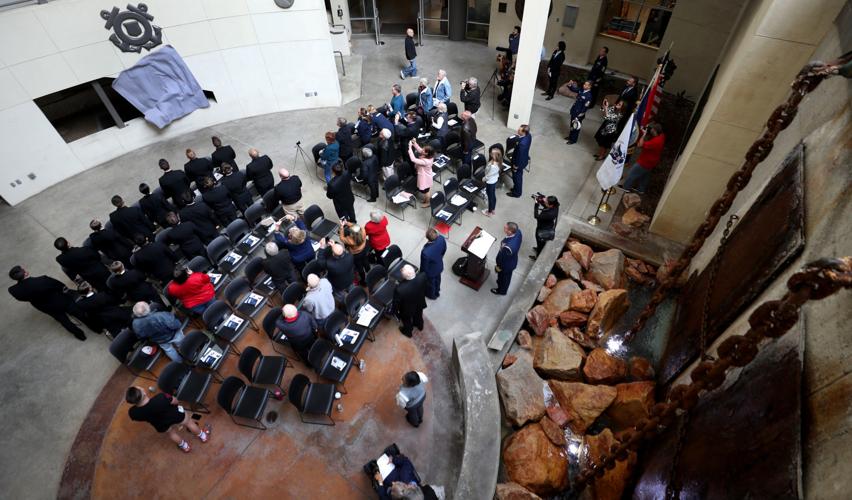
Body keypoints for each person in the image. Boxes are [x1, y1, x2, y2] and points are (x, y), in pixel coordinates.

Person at [8, 266, 88, 340]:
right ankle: (92, 325)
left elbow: (21, 298)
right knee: (77, 312)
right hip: (61, 300)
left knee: (63, 320)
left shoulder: (13, 290)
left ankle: (80, 335)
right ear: (25, 273)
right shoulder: (43, 279)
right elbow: (59, 286)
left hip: (45, 306)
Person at [125, 386, 211, 453]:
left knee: (172, 434)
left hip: (160, 424)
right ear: (143, 392)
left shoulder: (133, 412)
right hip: (175, 415)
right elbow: (175, 401)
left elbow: (136, 417)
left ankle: (185, 447)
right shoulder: (161, 397)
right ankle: (203, 436)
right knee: (189, 423)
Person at [622, 122, 666, 194]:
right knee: (645, 176)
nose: (650, 130)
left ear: (655, 131)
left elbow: (640, 145)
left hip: (645, 162)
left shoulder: (655, 142)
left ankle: (625, 188)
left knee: (632, 173)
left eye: (652, 129)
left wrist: (644, 134)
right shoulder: (661, 136)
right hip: (652, 162)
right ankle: (641, 190)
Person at [393, 265, 427, 338]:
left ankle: (408, 332)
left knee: (407, 321)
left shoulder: (399, 289)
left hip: (407, 309)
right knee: (419, 315)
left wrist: (395, 312)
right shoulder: (422, 276)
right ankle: (420, 326)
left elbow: (396, 303)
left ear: (404, 277)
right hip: (419, 302)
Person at [491, 222, 522, 295]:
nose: (504, 228)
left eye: (505, 228)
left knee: (503, 278)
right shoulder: (518, 232)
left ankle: (501, 291)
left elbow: (503, 259)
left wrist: (498, 266)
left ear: (510, 232)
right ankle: (502, 287)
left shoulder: (508, 248)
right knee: (507, 277)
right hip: (512, 261)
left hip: (506, 265)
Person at [339, 220, 369, 285]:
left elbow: (341, 238)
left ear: (352, 234)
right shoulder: (363, 231)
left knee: (359, 266)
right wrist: (347, 223)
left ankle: (363, 279)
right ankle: (369, 271)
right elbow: (357, 226)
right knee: (365, 261)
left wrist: (341, 227)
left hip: (356, 255)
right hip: (363, 250)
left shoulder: (350, 240)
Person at [419, 228, 446, 300]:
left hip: (430, 272)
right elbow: (444, 250)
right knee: (438, 279)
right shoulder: (441, 239)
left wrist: (422, 274)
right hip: (439, 265)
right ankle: (437, 290)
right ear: (436, 234)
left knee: (430, 284)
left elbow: (424, 266)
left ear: (427, 238)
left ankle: (432, 295)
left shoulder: (425, 252)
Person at [408, 139, 435, 207]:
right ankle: (426, 200)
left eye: (424, 150)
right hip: (427, 175)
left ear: (426, 153)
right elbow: (420, 150)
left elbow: (413, 159)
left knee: (426, 191)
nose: (422, 150)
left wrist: (410, 148)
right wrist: (414, 143)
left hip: (425, 177)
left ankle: (428, 203)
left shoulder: (426, 161)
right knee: (427, 190)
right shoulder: (429, 156)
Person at [564, 80, 593, 145]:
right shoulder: (581, 90)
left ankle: (573, 140)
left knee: (576, 127)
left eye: (586, 85)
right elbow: (574, 89)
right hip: (574, 111)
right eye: (584, 84)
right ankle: (570, 137)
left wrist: (579, 116)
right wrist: (570, 84)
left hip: (579, 114)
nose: (584, 85)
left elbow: (585, 107)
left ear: (590, 86)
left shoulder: (589, 96)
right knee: (572, 125)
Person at [506, 125, 531, 198]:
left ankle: (517, 193)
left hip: (519, 163)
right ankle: (516, 189)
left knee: (517, 178)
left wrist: (515, 166)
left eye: (519, 130)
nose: (517, 130)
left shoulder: (522, 144)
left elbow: (519, 156)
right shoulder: (529, 136)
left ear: (524, 132)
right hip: (524, 159)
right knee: (519, 176)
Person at [483, 147, 501, 216]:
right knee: (493, 195)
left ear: (496, 156)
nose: (490, 154)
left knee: (490, 197)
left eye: (492, 153)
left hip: (490, 182)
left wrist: (483, 179)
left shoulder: (493, 166)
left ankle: (489, 212)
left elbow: (489, 175)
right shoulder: (497, 161)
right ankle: (493, 209)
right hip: (494, 180)